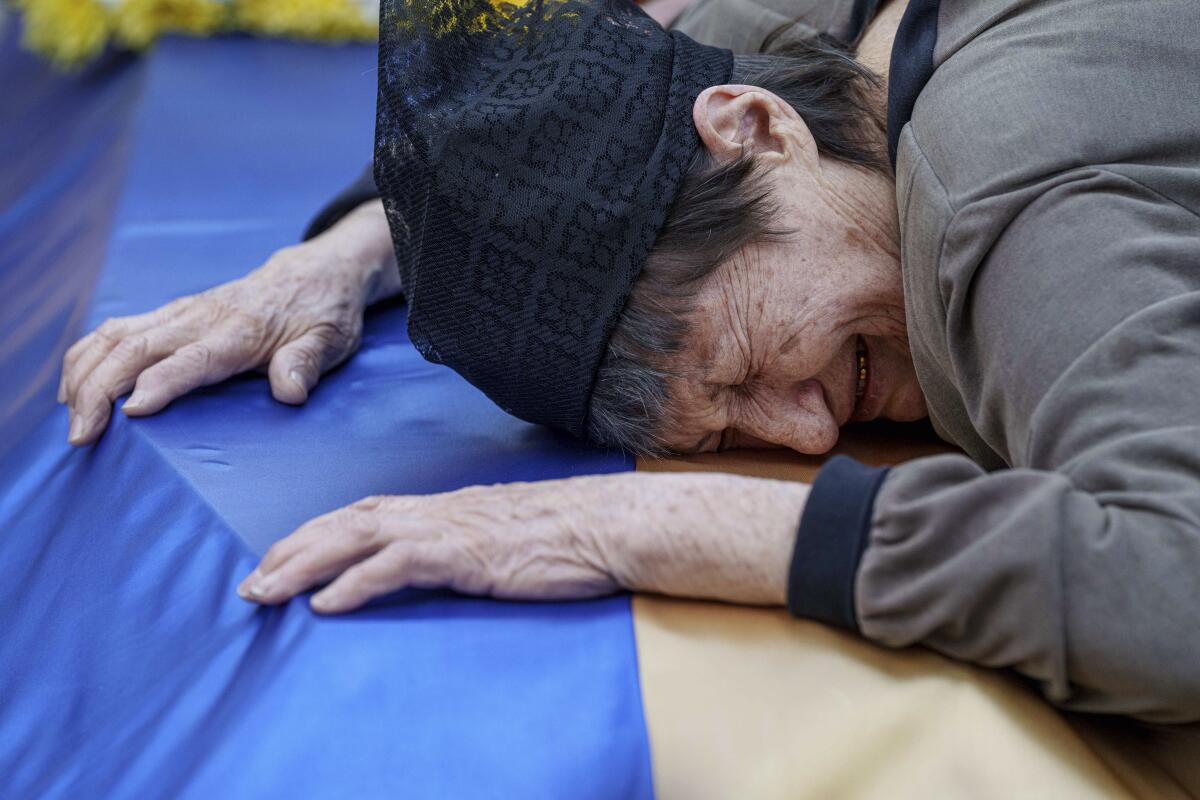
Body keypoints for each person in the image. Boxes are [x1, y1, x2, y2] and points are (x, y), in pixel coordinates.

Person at [58, 0, 1200, 722]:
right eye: (728, 427)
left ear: (754, 127)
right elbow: (609, 63)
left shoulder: (1014, 210)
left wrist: (627, 525)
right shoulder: (805, 62)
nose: (806, 434)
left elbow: (1178, 591)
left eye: (754, 356)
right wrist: (336, 261)